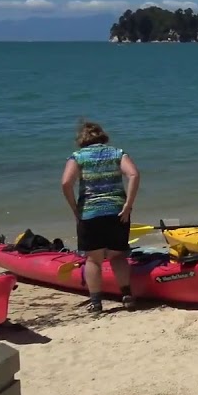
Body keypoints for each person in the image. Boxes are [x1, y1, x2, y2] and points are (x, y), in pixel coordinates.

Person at [61, 120, 140, 313]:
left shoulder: (77, 156)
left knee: (94, 260)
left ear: (81, 139)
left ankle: (96, 302)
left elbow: (66, 183)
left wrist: (75, 208)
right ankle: (127, 295)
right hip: (117, 211)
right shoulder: (117, 153)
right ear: (102, 136)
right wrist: (128, 204)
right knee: (118, 256)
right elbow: (134, 175)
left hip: (90, 212)